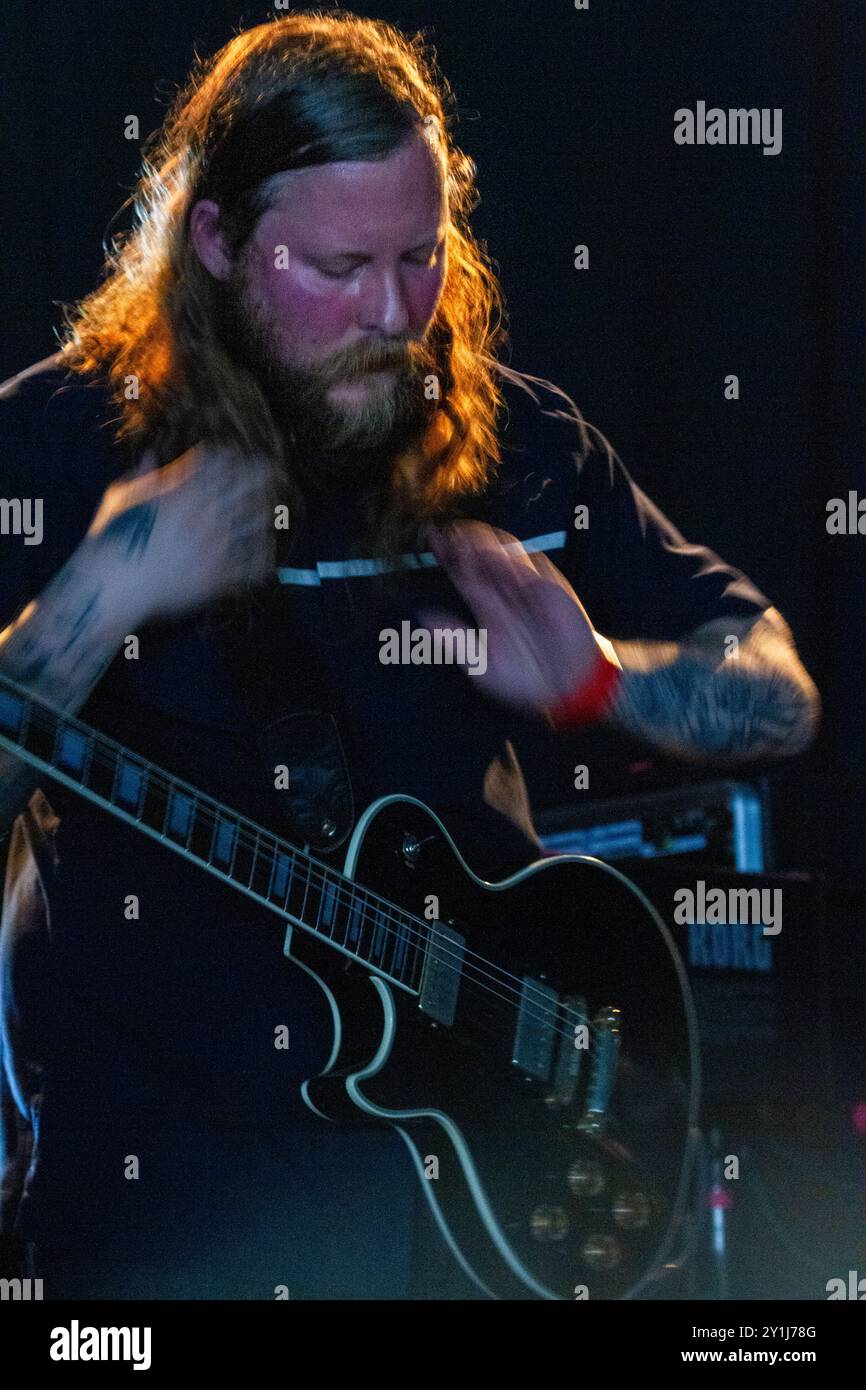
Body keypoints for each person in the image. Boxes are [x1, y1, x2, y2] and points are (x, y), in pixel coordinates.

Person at [0, 11, 819, 1300]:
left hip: (487, 1200)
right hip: (175, 1221)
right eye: (335, 266)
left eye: (421, 256)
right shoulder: (58, 451)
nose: (393, 311)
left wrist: (604, 677)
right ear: (213, 244)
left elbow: (784, 697)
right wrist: (95, 603)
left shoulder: (520, 442)